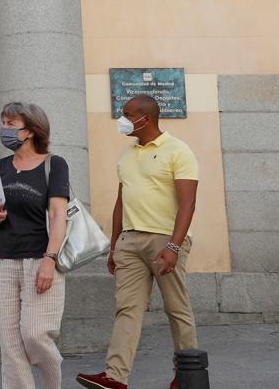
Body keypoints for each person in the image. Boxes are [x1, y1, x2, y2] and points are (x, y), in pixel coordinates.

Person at [76, 94, 199, 389]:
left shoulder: (178, 151)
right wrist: (114, 244)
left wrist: (173, 246)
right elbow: (121, 201)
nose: (122, 119)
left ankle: (188, 377)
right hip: (130, 242)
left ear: (145, 118)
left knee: (176, 308)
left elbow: (188, 204)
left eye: (127, 114)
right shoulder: (127, 154)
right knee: (126, 309)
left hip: (165, 241)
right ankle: (115, 377)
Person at [0, 101, 70, 389]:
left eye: (10, 124)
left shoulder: (53, 165)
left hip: (39, 260)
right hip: (1, 260)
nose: (4, 130)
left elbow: (59, 216)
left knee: (35, 335)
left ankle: (51, 384)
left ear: (30, 130)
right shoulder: (0, 168)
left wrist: (50, 260)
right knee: (10, 345)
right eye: (3, 123)